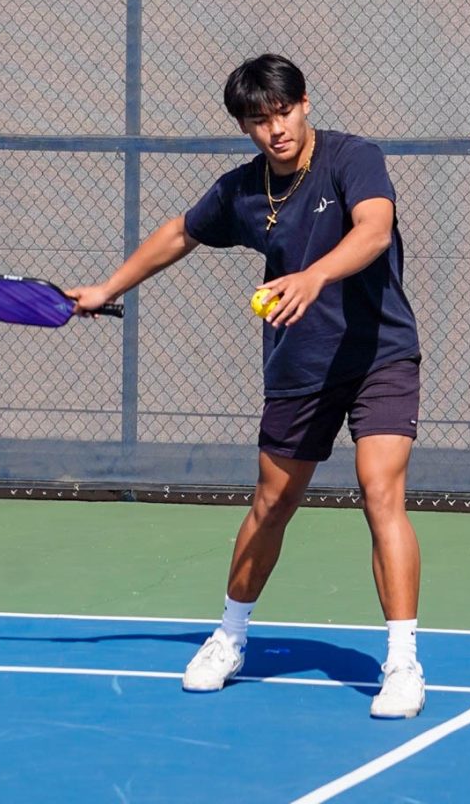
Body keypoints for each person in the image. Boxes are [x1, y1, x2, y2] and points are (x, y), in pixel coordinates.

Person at [67, 54, 424, 719]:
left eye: (282, 112)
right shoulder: (244, 190)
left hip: (379, 353)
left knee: (381, 491)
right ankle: (230, 637)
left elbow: (374, 230)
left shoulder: (354, 159)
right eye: (257, 121)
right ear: (244, 126)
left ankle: (402, 662)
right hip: (299, 364)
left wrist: (314, 277)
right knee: (271, 502)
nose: (274, 130)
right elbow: (180, 233)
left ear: (305, 103)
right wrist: (107, 288)